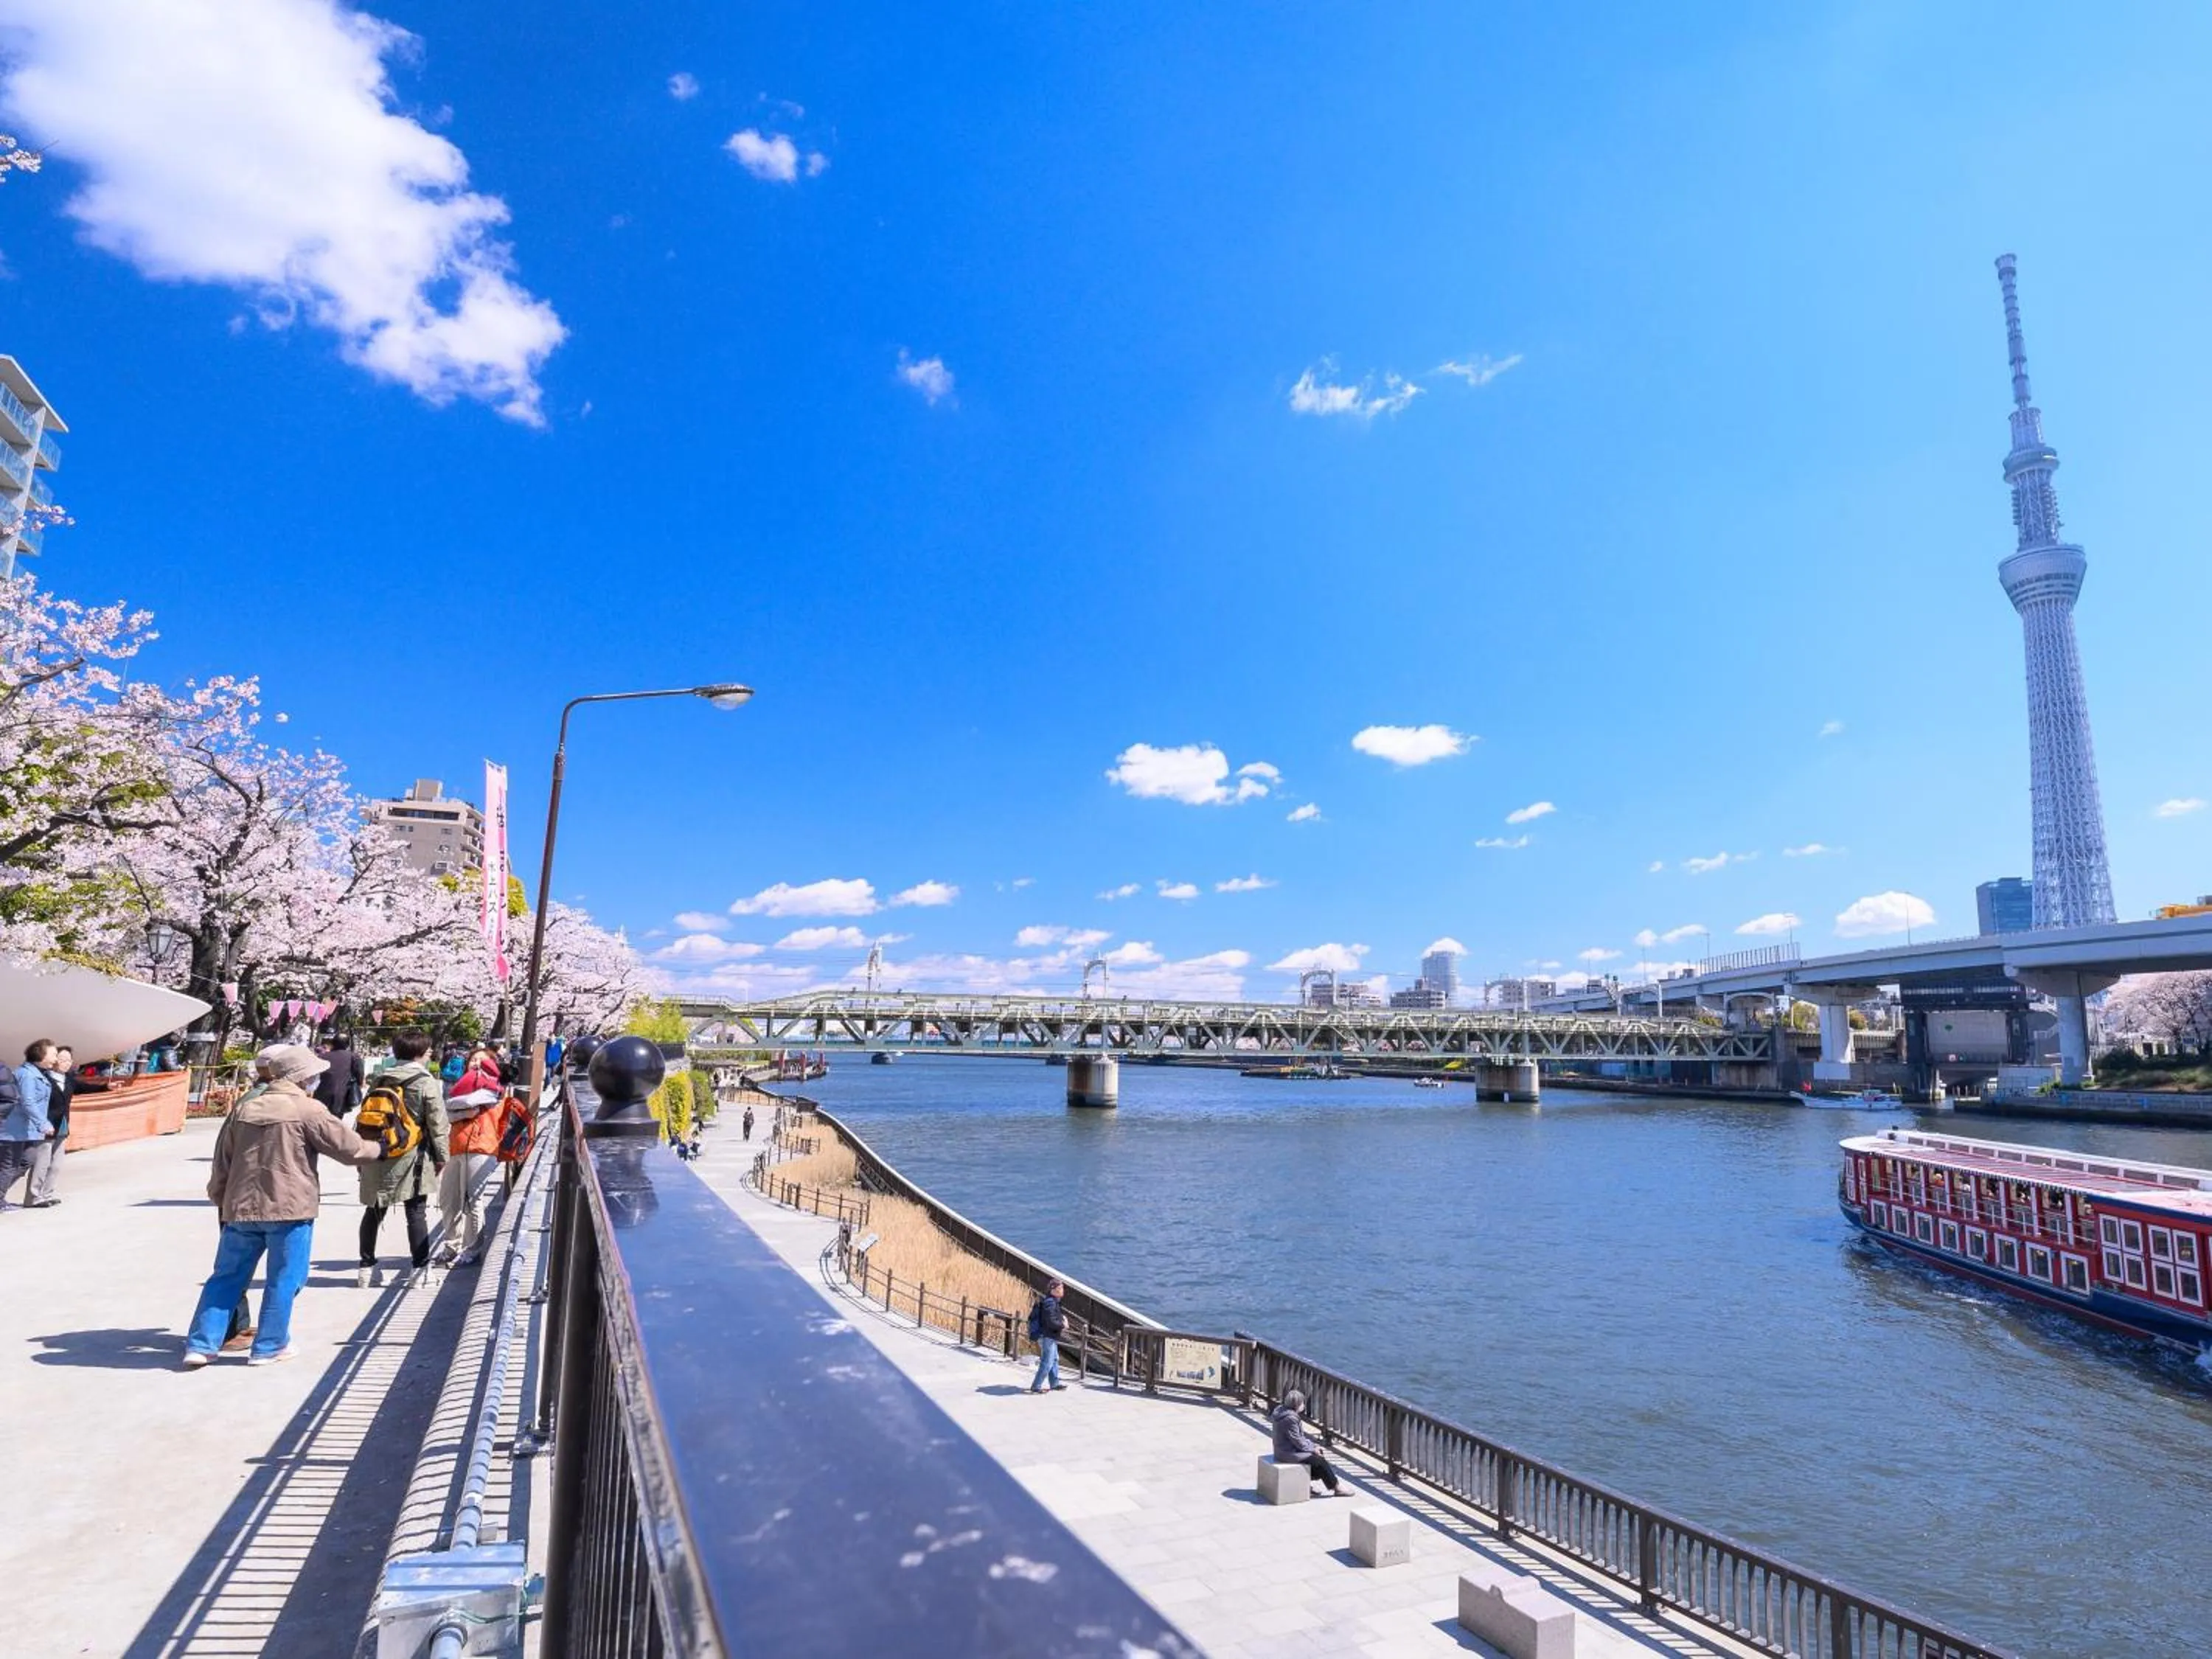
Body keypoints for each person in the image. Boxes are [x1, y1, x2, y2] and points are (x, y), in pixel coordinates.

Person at [182, 1044, 381, 1368]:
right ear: (303, 1078)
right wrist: (381, 1149)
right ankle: (270, 1344)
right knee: (285, 1278)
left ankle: (202, 1345)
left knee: (226, 1277)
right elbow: (350, 1150)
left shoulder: (246, 1108)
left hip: (241, 1207)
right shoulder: (308, 1110)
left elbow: (224, 1159)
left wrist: (220, 1195)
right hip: (290, 1208)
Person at [358, 1029, 450, 1288]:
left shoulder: (380, 1077)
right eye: (429, 1050)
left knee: (374, 1209)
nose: (431, 1053)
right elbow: (437, 1123)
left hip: (379, 1149)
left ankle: (366, 1269)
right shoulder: (425, 1081)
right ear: (420, 1053)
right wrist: (443, 1156)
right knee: (416, 1211)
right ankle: (420, 1271)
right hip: (413, 1154)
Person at [438, 1047, 504, 1267]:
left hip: (481, 1147)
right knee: (448, 1199)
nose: (475, 1064)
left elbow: (464, 1104)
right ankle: (451, 1245)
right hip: (457, 1145)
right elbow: (449, 1108)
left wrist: (460, 1110)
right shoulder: (460, 1088)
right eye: (473, 1060)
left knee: (472, 1199)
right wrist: (464, 1111)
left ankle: (472, 1248)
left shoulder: (493, 1088)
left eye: (481, 1061)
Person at [0, 1040, 58, 1209]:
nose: (56, 1059)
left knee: (27, 1160)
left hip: (27, 1130)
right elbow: (28, 1101)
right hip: (14, 1129)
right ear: (41, 1055)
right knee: (10, 1165)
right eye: (53, 1054)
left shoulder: (39, 1073)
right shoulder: (27, 1075)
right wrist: (43, 1123)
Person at [24, 1043, 77, 1208]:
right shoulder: (44, 1078)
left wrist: (106, 1087)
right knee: (42, 1162)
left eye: (69, 1060)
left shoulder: (69, 1079)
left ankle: (46, 1194)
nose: (67, 1063)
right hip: (46, 1126)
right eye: (62, 1059)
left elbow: (85, 1087)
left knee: (56, 1164)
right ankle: (33, 1197)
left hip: (61, 1126)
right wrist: (41, 1122)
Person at [1270, 1389, 1346, 1496]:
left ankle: (1305, 1484)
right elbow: (1298, 1441)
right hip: (1287, 1452)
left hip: (1286, 1449)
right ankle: (1337, 1487)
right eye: (1302, 1403)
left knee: (1318, 1456)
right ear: (1297, 1405)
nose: (1303, 1405)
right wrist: (1312, 1449)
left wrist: (1313, 1446)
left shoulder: (1282, 1412)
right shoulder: (1289, 1419)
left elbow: (1299, 1439)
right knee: (1320, 1462)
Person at [1028, 1278, 1068, 1394]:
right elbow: (1050, 1321)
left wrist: (1062, 1319)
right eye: (1060, 1288)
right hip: (1047, 1336)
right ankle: (1036, 1386)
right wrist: (1063, 1325)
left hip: (1050, 1336)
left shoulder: (1053, 1301)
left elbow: (1053, 1318)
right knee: (1047, 1361)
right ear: (1053, 1290)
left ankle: (1054, 1383)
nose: (1062, 1290)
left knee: (1054, 1359)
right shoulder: (1050, 1303)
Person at [311, 1033, 366, 1118]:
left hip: (320, 1096)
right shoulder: (353, 1057)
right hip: (340, 1098)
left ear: (333, 1043)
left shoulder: (322, 1057)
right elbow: (360, 1076)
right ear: (348, 1045)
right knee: (334, 1125)